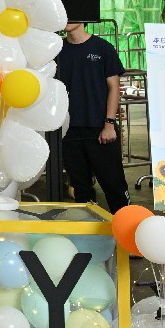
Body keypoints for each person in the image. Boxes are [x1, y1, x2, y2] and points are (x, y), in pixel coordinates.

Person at [56, 20, 128, 213]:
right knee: (81, 190)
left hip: (99, 129)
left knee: (114, 186)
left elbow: (114, 88)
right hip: (68, 130)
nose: (68, 19)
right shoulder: (56, 50)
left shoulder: (103, 48)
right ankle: (88, 229)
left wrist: (109, 124)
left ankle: (126, 228)